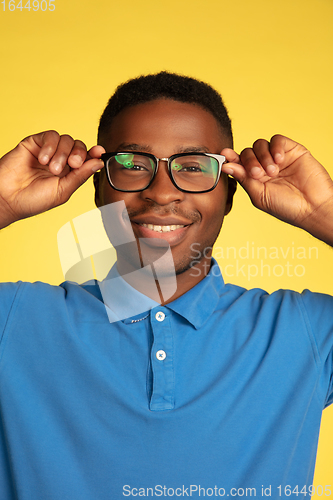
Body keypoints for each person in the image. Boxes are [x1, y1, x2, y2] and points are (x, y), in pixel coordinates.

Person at [0, 72, 332, 500]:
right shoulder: (15, 321)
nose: (160, 192)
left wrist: (322, 211)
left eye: (193, 167)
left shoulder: (304, 332)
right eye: (133, 166)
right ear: (97, 187)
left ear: (230, 193)